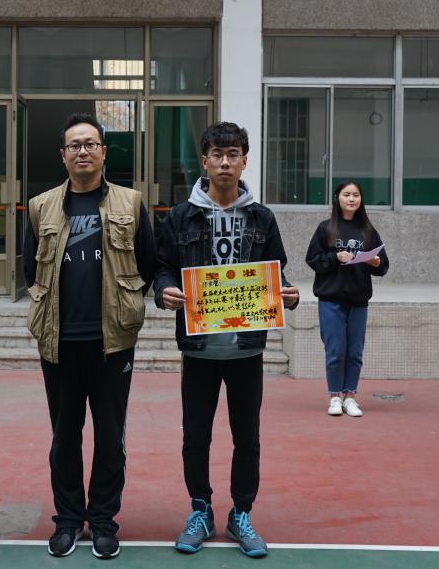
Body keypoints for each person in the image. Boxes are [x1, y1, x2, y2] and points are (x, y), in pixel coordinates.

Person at [154, 122, 300, 558]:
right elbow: (162, 268)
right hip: (199, 349)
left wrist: (287, 294)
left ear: (244, 161)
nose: (224, 162)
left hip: (246, 348)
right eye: (217, 154)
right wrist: (164, 290)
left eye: (233, 154)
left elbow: (276, 271)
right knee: (195, 437)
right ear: (204, 161)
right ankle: (200, 510)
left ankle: (241, 513)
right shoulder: (180, 216)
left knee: (247, 437)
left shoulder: (262, 218)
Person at [23, 113, 156, 560]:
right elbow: (29, 270)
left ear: (103, 152)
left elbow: (148, 262)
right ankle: (67, 519)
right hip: (58, 342)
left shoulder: (131, 203)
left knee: (110, 436)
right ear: (63, 155)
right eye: (74, 145)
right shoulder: (40, 206)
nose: (83, 151)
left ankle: (102, 521)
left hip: (113, 342)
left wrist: (129, 304)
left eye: (90, 144)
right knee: (64, 436)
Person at [305, 180, 390, 418]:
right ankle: (335, 397)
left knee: (355, 352)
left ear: (361, 200)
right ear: (337, 198)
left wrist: (375, 262)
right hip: (331, 299)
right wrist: (335, 257)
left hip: (358, 300)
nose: (351, 199)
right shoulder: (325, 228)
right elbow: (313, 260)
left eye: (356, 195)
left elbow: (383, 266)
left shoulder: (368, 230)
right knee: (335, 351)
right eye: (346, 194)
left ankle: (350, 397)